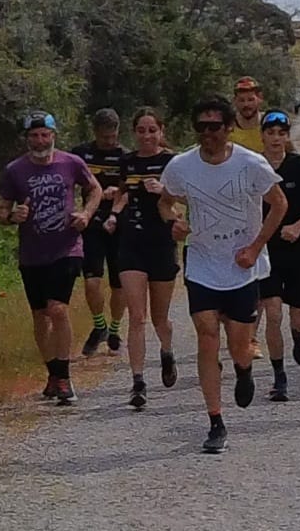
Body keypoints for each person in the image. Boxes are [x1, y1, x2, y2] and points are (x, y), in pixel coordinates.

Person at [159, 95, 287, 453]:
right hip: (201, 262)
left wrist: (256, 248)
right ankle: (215, 420)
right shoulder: (181, 166)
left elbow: (280, 205)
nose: (207, 134)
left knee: (239, 345)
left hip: (240, 266)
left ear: (229, 127)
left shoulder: (251, 164)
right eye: (200, 127)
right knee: (206, 334)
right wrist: (176, 223)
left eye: (214, 127)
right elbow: (164, 203)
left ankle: (243, 369)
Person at [0, 111, 102, 404]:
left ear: (54, 135)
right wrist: (12, 216)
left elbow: (94, 189)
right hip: (32, 253)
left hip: (67, 248)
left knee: (58, 309)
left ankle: (65, 377)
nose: (40, 141)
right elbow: (1, 212)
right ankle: (52, 373)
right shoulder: (15, 170)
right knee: (40, 316)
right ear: (27, 138)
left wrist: (86, 214)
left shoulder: (71, 163)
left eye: (45, 135)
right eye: (34, 135)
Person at [114, 107, 179, 408]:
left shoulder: (172, 162)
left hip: (162, 242)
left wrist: (163, 190)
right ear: (134, 133)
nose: (147, 136)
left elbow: (186, 195)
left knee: (159, 317)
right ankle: (138, 381)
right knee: (136, 317)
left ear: (161, 132)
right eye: (141, 130)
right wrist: (113, 214)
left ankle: (166, 351)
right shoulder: (126, 162)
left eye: (152, 130)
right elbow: (122, 192)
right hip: (130, 242)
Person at [258, 109, 300, 401]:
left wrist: (299, 226)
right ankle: (279, 376)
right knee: (272, 314)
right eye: (270, 133)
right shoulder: (253, 167)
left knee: (297, 318)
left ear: (287, 136)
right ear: (263, 136)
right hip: (267, 252)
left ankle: (298, 336)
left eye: (281, 133)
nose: (275, 139)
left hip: (299, 250)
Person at [71, 108, 126, 356]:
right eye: (104, 137)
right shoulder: (80, 154)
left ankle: (114, 328)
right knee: (92, 280)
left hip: (118, 224)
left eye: (112, 136)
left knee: (119, 282)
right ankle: (99, 326)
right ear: (95, 133)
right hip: (90, 223)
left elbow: (132, 187)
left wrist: (119, 192)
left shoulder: (125, 156)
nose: (109, 141)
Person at [229, 76, 266, 359]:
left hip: (265, 208)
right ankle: (235, 330)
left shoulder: (269, 127)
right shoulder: (229, 129)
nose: (246, 104)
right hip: (233, 208)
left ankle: (252, 336)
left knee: (259, 275)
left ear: (259, 99)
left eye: (250, 98)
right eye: (241, 99)